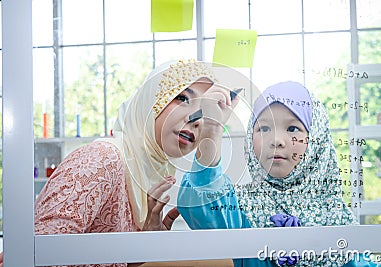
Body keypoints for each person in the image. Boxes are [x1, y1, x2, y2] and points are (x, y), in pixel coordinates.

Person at [0, 59, 239, 267]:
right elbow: (34, 256)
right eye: (183, 98)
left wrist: (144, 243)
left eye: (204, 112)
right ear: (150, 100)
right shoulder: (103, 159)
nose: (195, 120)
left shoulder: (149, 172)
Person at [178, 81, 381, 267]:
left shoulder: (335, 216)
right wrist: (213, 129)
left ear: (316, 140)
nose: (276, 140)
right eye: (263, 129)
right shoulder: (240, 207)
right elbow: (201, 205)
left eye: (292, 129)